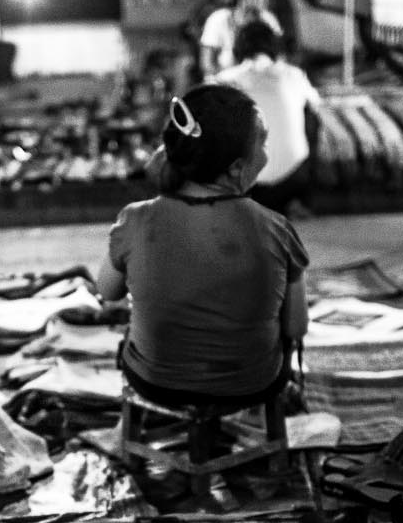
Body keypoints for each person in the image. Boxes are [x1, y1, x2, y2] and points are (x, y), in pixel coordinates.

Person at [98, 84, 309, 410]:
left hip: (154, 383)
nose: (267, 154)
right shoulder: (276, 229)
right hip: (252, 386)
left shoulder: (134, 219)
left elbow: (108, 291)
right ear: (237, 168)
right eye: (263, 143)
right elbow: (296, 327)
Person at [215, 20, 321, 216]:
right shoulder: (294, 75)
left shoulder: (225, 80)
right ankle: (299, 200)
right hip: (294, 179)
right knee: (311, 116)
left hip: (246, 185)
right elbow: (317, 106)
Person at [198, 0, 283, 79]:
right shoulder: (218, 19)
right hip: (225, 87)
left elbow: (279, 58)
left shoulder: (268, 19)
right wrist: (236, 75)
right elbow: (206, 65)